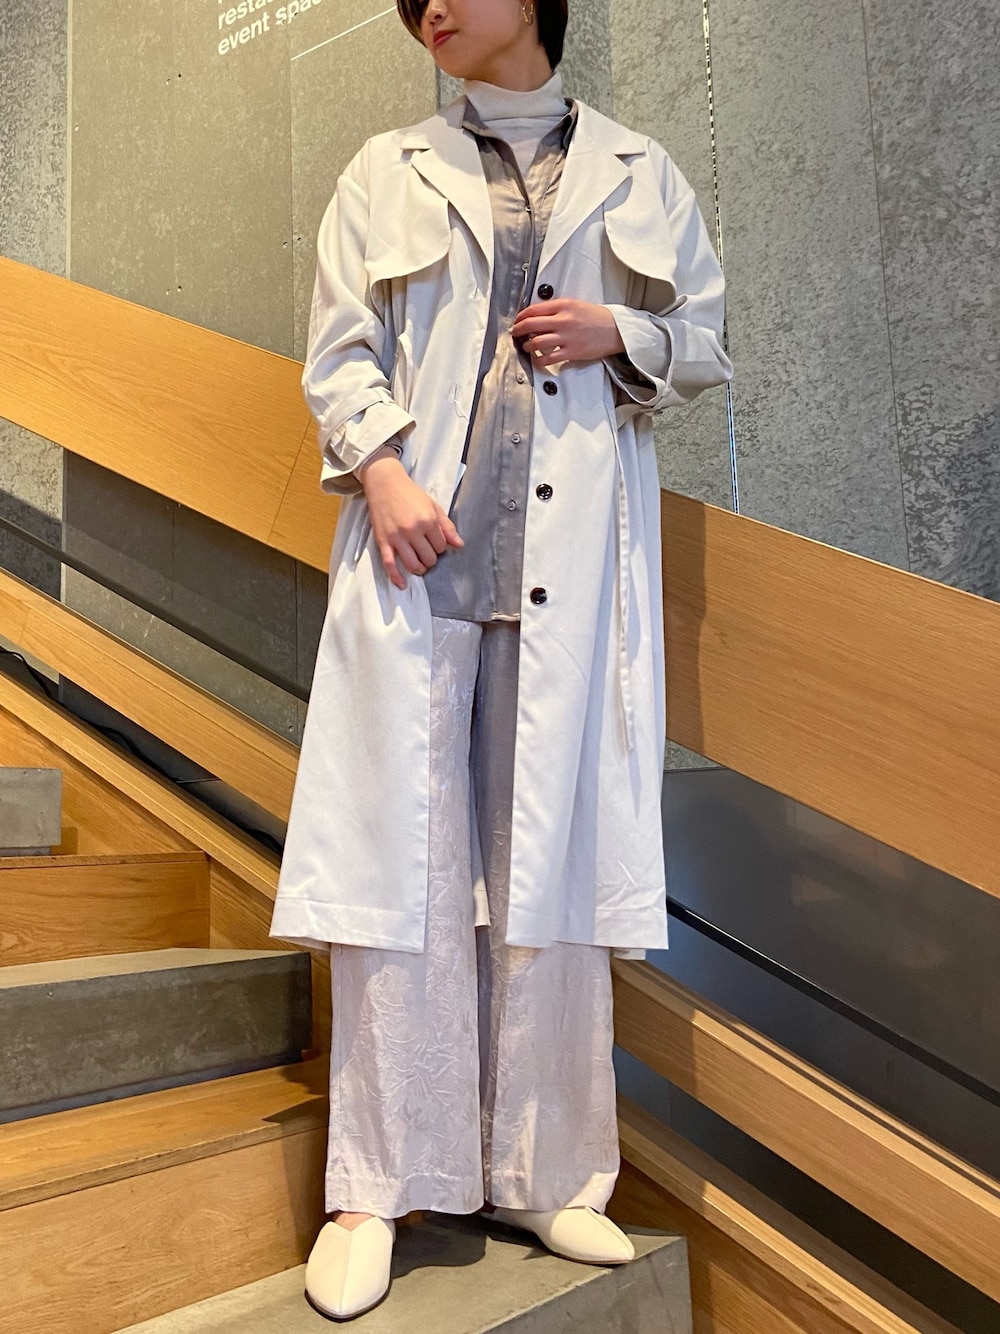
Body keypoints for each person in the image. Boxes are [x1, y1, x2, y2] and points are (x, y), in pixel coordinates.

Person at [268, 0, 734, 1319]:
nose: (430, 10)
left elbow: (704, 336)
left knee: (553, 859)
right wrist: (383, 475)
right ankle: (374, 1185)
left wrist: (621, 334)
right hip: (421, 558)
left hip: (572, 569)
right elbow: (340, 349)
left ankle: (550, 1171)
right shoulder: (386, 168)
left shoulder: (640, 168)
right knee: (402, 868)